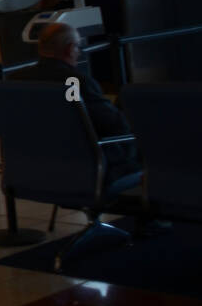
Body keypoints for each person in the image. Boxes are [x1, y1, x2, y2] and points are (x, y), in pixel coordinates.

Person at [10, 23, 138, 185]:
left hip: (30, 170)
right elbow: (116, 126)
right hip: (86, 169)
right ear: (70, 49)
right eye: (78, 47)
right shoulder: (77, 83)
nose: (78, 52)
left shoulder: (15, 80)